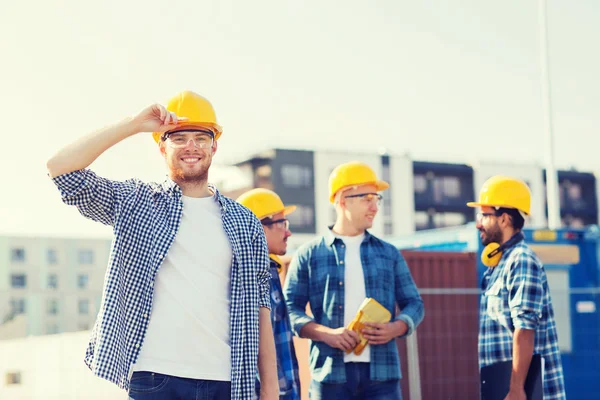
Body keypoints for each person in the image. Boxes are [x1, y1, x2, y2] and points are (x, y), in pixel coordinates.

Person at [46, 90, 278, 400]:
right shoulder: (136, 201)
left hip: (227, 379)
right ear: (161, 147)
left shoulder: (245, 222)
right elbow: (61, 169)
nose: (191, 146)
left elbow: (260, 306)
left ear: (215, 145)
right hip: (155, 377)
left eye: (201, 137)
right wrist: (132, 125)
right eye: (179, 138)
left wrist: (271, 390)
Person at [283, 161, 424, 400]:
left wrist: (395, 328)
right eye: (367, 198)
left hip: (383, 376)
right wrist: (326, 333)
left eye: (376, 199)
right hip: (330, 377)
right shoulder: (309, 254)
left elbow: (415, 304)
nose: (375, 207)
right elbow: (289, 310)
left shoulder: (389, 253)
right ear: (342, 199)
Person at [467, 175, 566, 400]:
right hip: (502, 387)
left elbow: (525, 328)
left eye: (484, 215)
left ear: (504, 219)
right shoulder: (499, 263)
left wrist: (516, 389)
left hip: (523, 392)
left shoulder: (521, 260)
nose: (478, 223)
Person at [236, 188, 302, 400]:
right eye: (282, 224)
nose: (288, 232)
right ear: (258, 228)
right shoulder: (246, 276)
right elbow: (249, 349)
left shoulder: (271, 269)